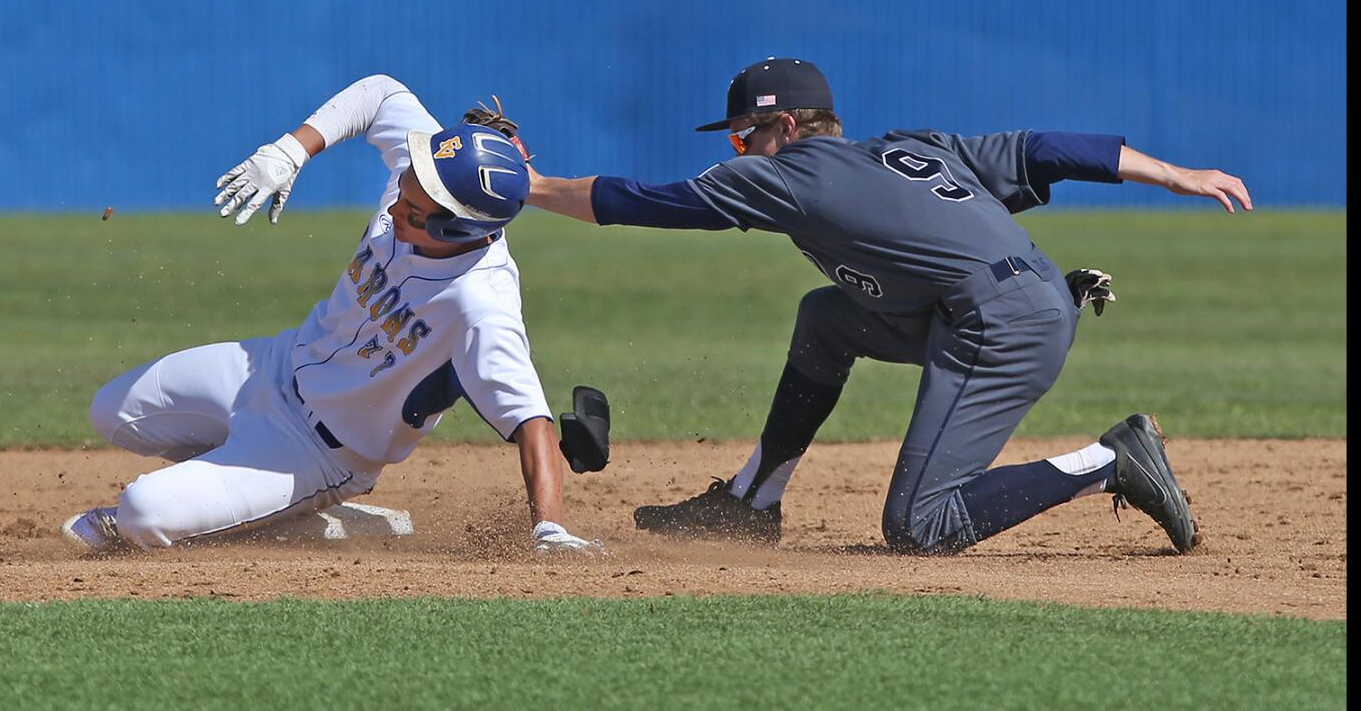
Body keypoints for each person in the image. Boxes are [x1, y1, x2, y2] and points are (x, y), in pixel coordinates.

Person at [524, 57, 1251, 555]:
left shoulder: (790, 176)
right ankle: (753, 502)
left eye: (746, 135)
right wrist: (1173, 172)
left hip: (998, 328)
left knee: (920, 526)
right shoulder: (915, 148)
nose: (741, 150)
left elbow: (642, 202)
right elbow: (1043, 150)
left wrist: (529, 188)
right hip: (993, 306)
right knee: (826, 317)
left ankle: (1109, 461)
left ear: (784, 129)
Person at [60, 75, 605, 555]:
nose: (394, 207)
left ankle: (294, 507)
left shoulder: (480, 307)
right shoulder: (426, 180)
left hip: (315, 450)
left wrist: (549, 530)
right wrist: (290, 151)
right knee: (112, 412)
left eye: (412, 211)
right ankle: (268, 507)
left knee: (138, 516)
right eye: (404, 189)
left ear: (455, 229)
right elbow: (381, 93)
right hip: (270, 365)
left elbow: (531, 421)